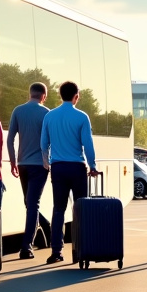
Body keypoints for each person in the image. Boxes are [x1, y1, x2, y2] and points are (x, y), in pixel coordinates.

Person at [39, 81, 99, 264]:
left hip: (58, 168)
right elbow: (87, 144)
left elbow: (43, 144)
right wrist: (93, 165)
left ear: (60, 95)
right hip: (77, 168)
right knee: (80, 209)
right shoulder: (82, 117)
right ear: (76, 96)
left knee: (59, 209)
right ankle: (81, 249)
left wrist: (46, 162)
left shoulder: (50, 116)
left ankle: (56, 251)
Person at [7, 82, 49, 259]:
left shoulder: (18, 110)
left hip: (23, 164)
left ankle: (41, 231)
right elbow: (50, 141)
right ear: (43, 96)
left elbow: (10, 140)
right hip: (40, 166)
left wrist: (13, 162)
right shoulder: (47, 113)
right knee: (31, 204)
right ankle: (27, 247)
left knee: (30, 203)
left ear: (29, 94)